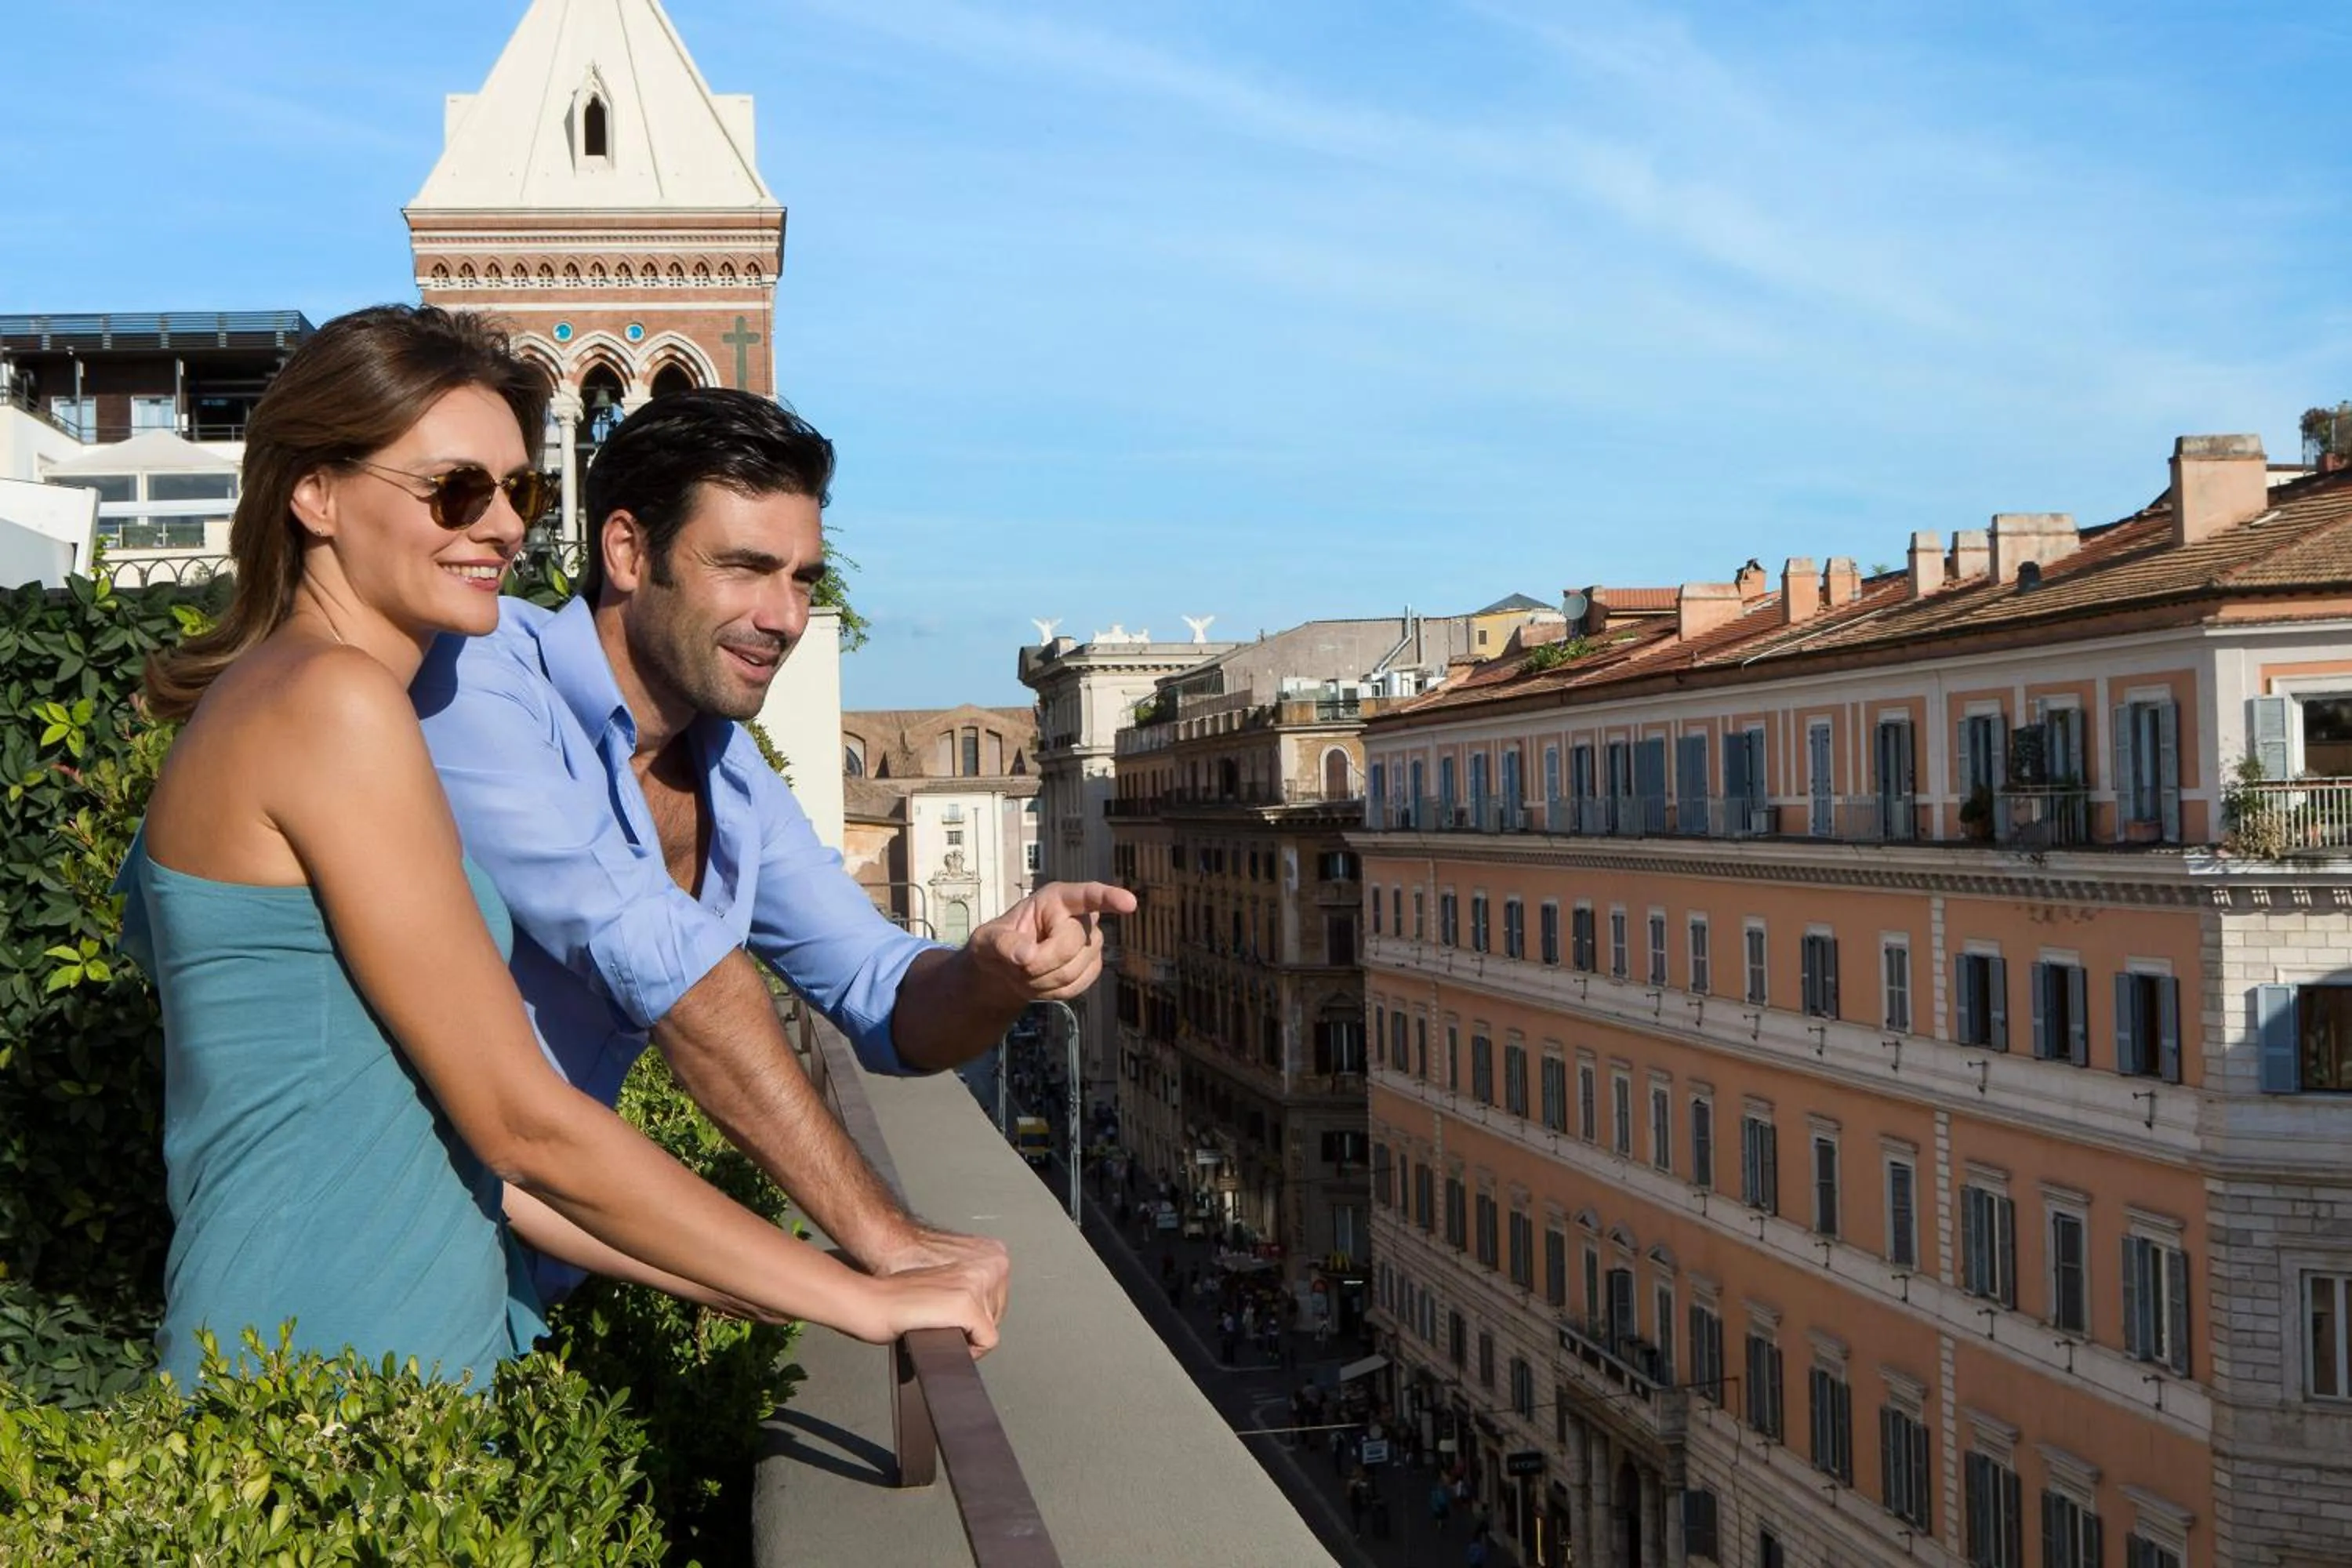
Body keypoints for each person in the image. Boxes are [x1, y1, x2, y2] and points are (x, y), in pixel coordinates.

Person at [121, 305, 998, 1390]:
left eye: (518, 491)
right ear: (316, 492)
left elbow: (479, 1159)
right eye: (453, 490)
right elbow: (524, 1124)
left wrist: (821, 1280)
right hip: (319, 1386)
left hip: (396, 1382)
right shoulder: (331, 703)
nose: (500, 528)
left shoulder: (312, 700)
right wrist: (864, 1289)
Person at [410, 386, 1134, 1306]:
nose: (786, 615)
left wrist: (992, 973)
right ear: (628, 552)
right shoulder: (480, 681)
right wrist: (887, 1242)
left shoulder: (729, 770)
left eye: (803, 579)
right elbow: (676, 974)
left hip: (526, 1287)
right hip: (396, 1294)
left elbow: (883, 997)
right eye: (747, 568)